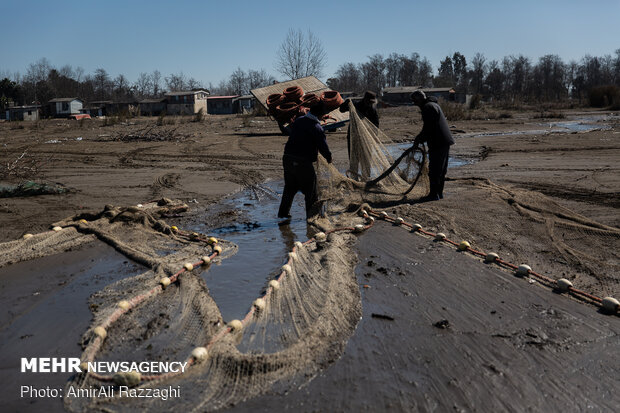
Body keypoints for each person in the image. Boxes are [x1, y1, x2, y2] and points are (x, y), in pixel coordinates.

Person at [277, 101, 332, 220]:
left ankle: (283, 214)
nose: (324, 117)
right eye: (323, 114)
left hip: (287, 158)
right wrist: (329, 157)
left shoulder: (299, 120)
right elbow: (323, 147)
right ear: (320, 115)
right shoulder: (316, 127)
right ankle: (312, 217)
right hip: (302, 161)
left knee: (290, 187)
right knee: (311, 191)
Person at [411, 89, 455, 201]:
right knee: (441, 170)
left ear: (420, 99)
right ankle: (438, 193)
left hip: (438, 142)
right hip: (444, 141)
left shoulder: (428, 108)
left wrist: (419, 139)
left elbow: (428, 128)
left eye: (415, 101)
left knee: (435, 170)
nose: (415, 104)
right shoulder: (433, 105)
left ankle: (434, 195)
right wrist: (421, 138)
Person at [339, 91, 379, 158]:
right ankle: (354, 168)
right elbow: (342, 110)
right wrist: (346, 103)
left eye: (371, 102)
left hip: (366, 135)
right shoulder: (355, 105)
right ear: (365, 99)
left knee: (367, 157)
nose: (370, 104)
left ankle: (367, 168)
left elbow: (376, 123)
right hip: (353, 134)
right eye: (369, 102)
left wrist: (374, 134)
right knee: (353, 156)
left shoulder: (372, 109)